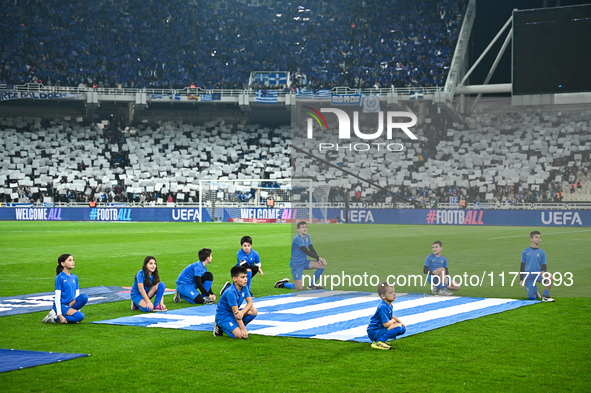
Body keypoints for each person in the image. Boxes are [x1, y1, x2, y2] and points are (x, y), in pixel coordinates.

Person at [274, 221, 327, 290]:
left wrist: (318, 260)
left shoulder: (307, 237)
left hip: (304, 262)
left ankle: (311, 285)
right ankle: (283, 283)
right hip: (296, 264)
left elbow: (312, 249)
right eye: (302, 227)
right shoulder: (297, 239)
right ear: (298, 229)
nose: (305, 229)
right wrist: (320, 258)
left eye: (306, 227)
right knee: (299, 287)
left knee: (322, 265)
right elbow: (306, 251)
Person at [214, 266, 258, 339]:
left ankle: (238, 327)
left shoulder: (244, 287)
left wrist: (242, 312)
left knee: (253, 311)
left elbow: (250, 303)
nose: (246, 279)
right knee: (239, 335)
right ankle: (220, 326)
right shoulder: (231, 292)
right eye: (242, 277)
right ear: (234, 279)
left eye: (246, 276)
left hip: (234, 314)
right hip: (224, 317)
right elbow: (236, 313)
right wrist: (244, 330)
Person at [42, 254, 88, 323]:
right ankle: (55, 317)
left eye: (73, 260)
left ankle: (66, 316)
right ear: (63, 264)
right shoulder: (60, 277)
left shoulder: (75, 277)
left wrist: (76, 311)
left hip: (70, 304)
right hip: (62, 305)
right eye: (70, 260)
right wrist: (60, 315)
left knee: (84, 297)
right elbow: (57, 298)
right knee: (80, 316)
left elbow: (77, 295)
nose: (73, 262)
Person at [367, 283, 406, 350]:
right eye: (391, 293)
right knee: (398, 328)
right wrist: (393, 322)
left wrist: (400, 322)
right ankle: (379, 342)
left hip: (379, 330)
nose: (394, 294)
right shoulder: (383, 306)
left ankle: (381, 339)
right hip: (374, 331)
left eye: (394, 292)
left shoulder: (388, 305)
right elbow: (385, 324)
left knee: (402, 329)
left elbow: (391, 315)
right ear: (383, 296)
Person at [520, 231, 555, 302]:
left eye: (540, 237)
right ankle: (535, 292)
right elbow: (522, 266)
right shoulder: (525, 251)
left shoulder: (542, 253)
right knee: (532, 299)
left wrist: (543, 272)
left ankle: (546, 296)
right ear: (531, 239)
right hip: (528, 276)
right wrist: (521, 280)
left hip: (538, 274)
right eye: (536, 237)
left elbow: (544, 265)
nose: (539, 239)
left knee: (550, 276)